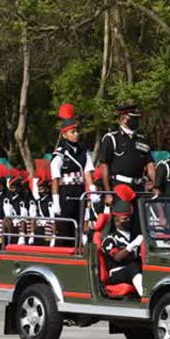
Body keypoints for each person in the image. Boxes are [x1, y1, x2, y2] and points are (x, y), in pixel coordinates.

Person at [51, 104, 94, 246]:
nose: (76, 134)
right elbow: (56, 179)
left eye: (77, 131)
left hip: (80, 192)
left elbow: (87, 172)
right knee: (65, 230)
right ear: (64, 135)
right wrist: (56, 199)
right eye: (73, 132)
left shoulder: (83, 152)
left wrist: (92, 190)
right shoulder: (60, 153)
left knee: (80, 229)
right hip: (66, 193)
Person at [98, 102, 156, 202]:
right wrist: (108, 192)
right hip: (119, 187)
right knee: (122, 216)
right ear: (123, 119)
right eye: (133, 118)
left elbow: (150, 164)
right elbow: (104, 166)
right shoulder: (111, 138)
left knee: (140, 217)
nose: (136, 121)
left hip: (139, 188)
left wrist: (156, 184)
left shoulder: (142, 139)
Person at [101, 185, 144, 296]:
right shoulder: (110, 239)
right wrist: (133, 244)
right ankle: (145, 298)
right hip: (116, 273)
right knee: (133, 267)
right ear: (117, 221)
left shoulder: (132, 236)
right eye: (125, 218)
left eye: (129, 218)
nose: (128, 220)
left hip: (132, 270)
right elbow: (117, 257)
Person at [31, 166, 56, 246]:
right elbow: (34, 218)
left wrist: (53, 236)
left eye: (41, 189)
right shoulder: (38, 201)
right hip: (39, 228)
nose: (39, 191)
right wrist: (32, 233)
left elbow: (53, 220)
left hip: (47, 228)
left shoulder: (49, 201)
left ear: (46, 189)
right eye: (39, 189)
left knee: (46, 246)